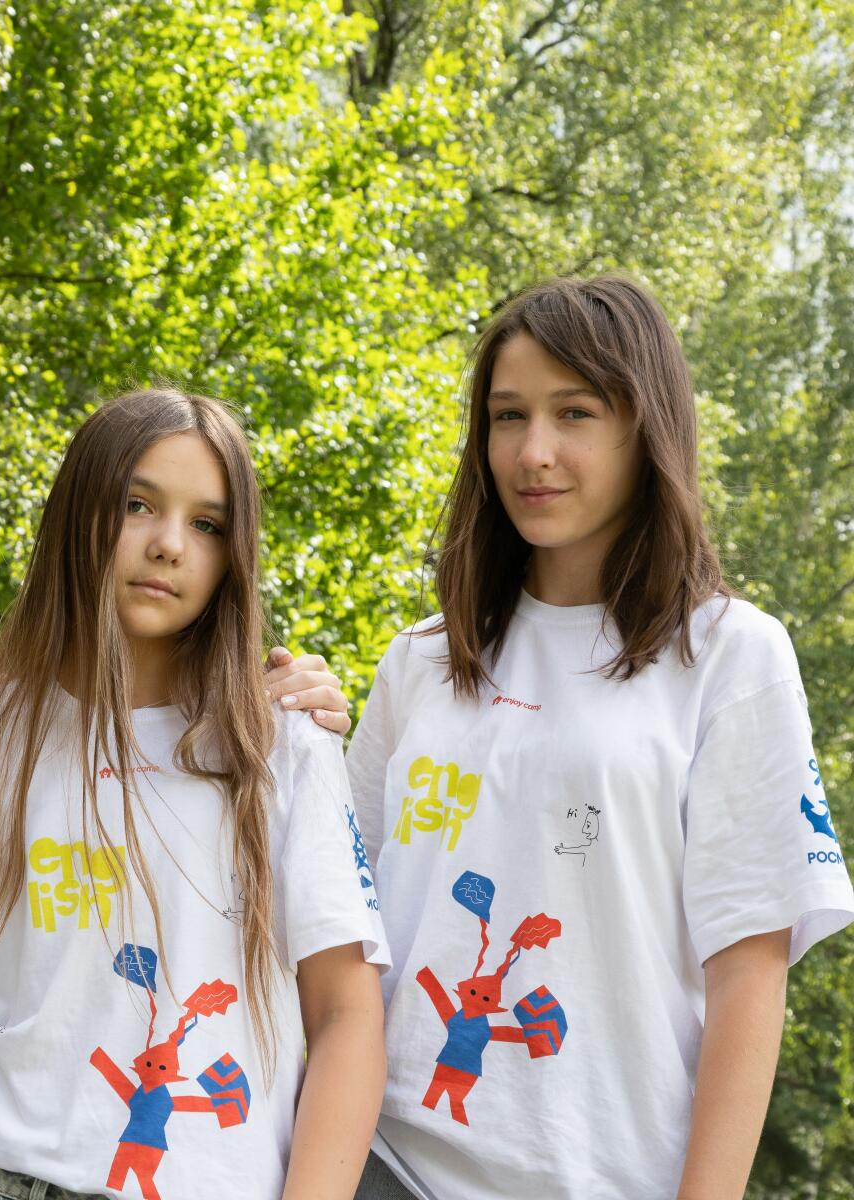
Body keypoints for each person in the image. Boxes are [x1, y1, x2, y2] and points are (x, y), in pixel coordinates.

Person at [345, 276, 854, 1200]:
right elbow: (344, 932)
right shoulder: (421, 660)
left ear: (646, 428)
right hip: (385, 1163)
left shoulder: (732, 658)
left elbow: (749, 979)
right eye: (508, 416)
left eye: (573, 412)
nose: (532, 452)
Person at [0, 388, 389, 1200]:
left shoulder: (279, 745)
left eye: (207, 524)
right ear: (78, 514)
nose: (169, 544)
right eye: (137, 505)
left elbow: (347, 1021)